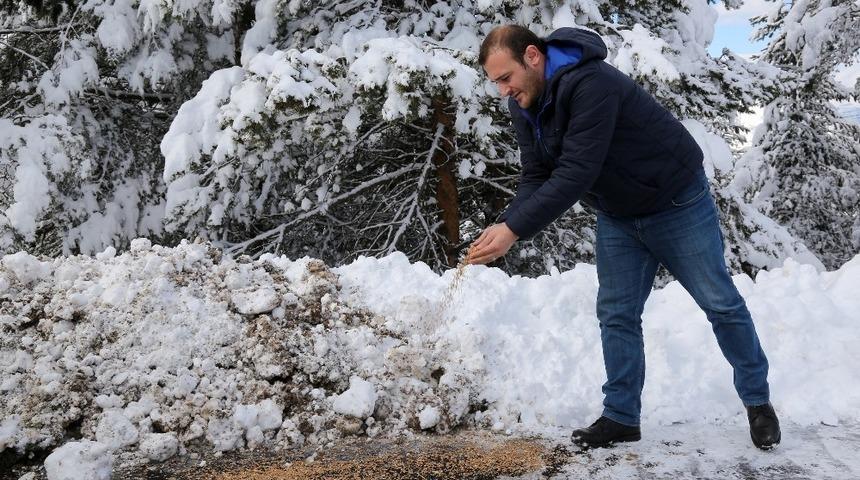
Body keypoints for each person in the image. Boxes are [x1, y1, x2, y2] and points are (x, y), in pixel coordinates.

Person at [468, 25, 781, 450]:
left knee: (720, 303)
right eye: (496, 83)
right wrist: (507, 224)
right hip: (618, 214)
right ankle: (621, 417)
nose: (504, 90)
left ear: (533, 57)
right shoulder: (524, 103)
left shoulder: (592, 84)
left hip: (675, 203)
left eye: (506, 77)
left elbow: (577, 172)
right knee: (616, 313)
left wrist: (515, 229)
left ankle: (758, 402)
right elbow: (536, 174)